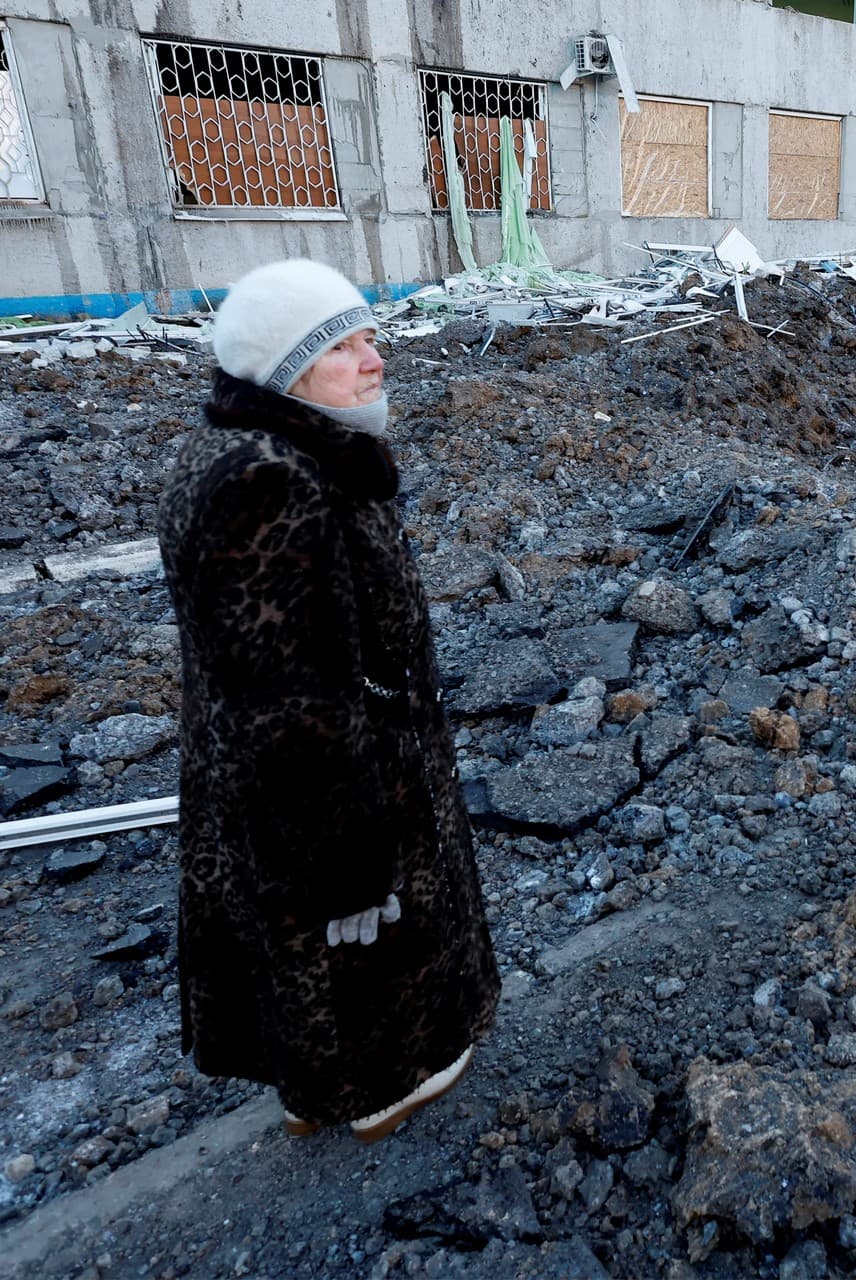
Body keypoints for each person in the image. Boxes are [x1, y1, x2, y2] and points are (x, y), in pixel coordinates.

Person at [158, 259, 498, 1142]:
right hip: (336, 781)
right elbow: (289, 708)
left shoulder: (282, 450)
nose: (373, 358)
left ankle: (317, 1087)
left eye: (369, 337)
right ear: (287, 372)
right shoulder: (270, 485)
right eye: (341, 347)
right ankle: (386, 1084)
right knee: (350, 932)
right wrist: (344, 862)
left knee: (311, 944)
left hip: (324, 764)